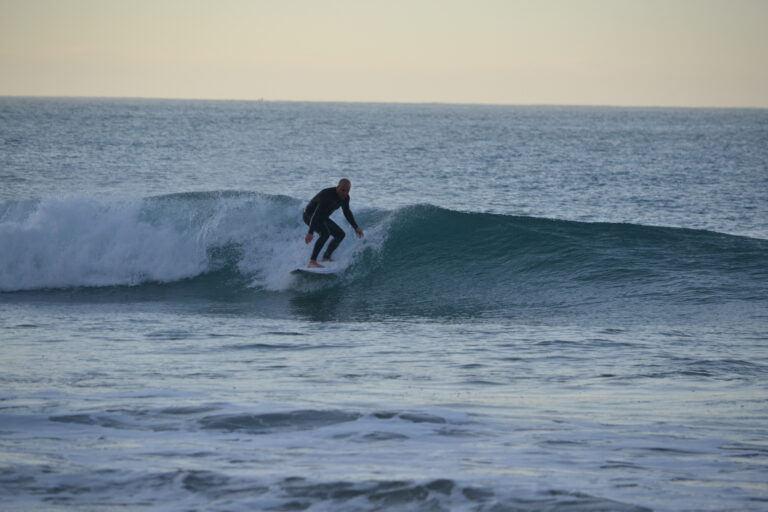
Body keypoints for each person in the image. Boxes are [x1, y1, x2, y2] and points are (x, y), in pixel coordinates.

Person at [303, 179, 364, 268]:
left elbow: (347, 212)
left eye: (347, 190)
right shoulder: (326, 195)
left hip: (322, 217)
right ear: (337, 188)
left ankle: (326, 257)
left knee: (340, 234)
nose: (345, 193)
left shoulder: (345, 198)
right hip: (309, 215)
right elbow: (316, 213)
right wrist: (310, 232)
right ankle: (312, 261)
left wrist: (356, 227)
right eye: (342, 190)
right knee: (325, 234)